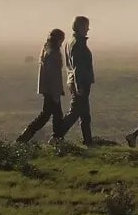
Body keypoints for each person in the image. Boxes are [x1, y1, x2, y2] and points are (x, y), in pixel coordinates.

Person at [17, 28, 67, 144]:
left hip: (48, 89)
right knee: (48, 116)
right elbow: (53, 76)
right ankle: (55, 139)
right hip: (51, 90)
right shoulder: (53, 54)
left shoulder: (46, 50)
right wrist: (55, 93)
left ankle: (55, 138)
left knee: (52, 115)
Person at [53, 15, 95, 145]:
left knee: (84, 113)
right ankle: (56, 136)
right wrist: (79, 86)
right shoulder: (78, 44)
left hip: (74, 80)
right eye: (86, 26)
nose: (88, 29)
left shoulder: (71, 42)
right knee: (76, 112)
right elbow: (78, 67)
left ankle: (88, 140)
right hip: (80, 82)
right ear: (81, 27)